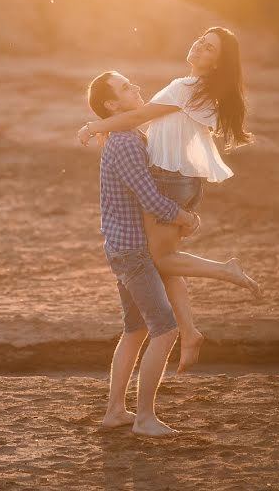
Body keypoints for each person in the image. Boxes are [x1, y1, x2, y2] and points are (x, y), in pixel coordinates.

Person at [79, 27, 259, 372]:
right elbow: (158, 127)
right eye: (201, 41)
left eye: (208, 49)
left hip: (170, 180)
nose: (199, 47)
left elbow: (136, 117)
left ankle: (224, 271)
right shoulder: (197, 90)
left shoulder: (186, 87)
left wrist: (95, 127)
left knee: (159, 262)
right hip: (183, 180)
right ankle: (190, 332)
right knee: (165, 259)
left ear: (218, 62)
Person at [92, 75, 199, 437]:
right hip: (133, 251)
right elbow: (149, 199)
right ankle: (144, 419)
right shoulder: (125, 142)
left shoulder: (129, 135)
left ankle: (115, 412)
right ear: (112, 105)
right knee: (165, 329)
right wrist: (185, 217)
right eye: (125, 88)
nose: (135, 88)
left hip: (125, 246)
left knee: (136, 329)